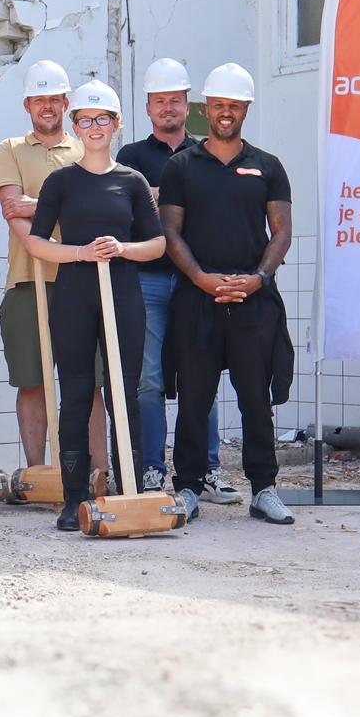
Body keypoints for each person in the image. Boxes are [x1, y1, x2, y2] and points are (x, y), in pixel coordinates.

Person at [23, 80, 165, 531]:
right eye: (85, 119)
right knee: (78, 393)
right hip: (74, 296)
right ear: (75, 126)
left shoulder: (132, 181)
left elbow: (158, 244)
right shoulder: (61, 181)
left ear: (117, 124)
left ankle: (131, 492)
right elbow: (36, 242)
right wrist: (82, 253)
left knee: (128, 391)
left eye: (103, 118)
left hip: (123, 292)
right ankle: (74, 498)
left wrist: (121, 249)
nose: (95, 126)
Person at [159, 63, 297, 526]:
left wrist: (258, 278)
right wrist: (201, 278)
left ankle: (264, 489)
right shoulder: (181, 166)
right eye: (218, 104)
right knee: (195, 397)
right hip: (199, 297)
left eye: (234, 106)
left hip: (252, 298)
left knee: (254, 397)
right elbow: (170, 233)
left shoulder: (269, 166)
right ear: (205, 108)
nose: (225, 112)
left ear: (245, 110)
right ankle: (188, 488)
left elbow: (281, 232)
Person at [116, 58, 236, 501]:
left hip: (194, 282)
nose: (168, 108)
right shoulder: (130, 156)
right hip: (145, 280)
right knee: (149, 379)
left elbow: (211, 206)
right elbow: (128, 201)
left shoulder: (207, 152)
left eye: (176, 101)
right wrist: (179, 195)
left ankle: (206, 471)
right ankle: (152, 469)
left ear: (190, 107)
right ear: (148, 108)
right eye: (160, 101)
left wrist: (155, 194)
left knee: (199, 377)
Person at [0, 61, 108, 479]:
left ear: (66, 103)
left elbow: (97, 206)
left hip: (82, 281)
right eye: (39, 99)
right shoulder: (10, 149)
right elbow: (12, 209)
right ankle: (37, 475)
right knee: (33, 380)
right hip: (28, 278)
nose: (47, 106)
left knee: (90, 383)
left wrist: (41, 205)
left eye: (54, 99)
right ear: (27, 104)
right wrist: (41, 239)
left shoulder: (86, 147)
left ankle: (99, 473)